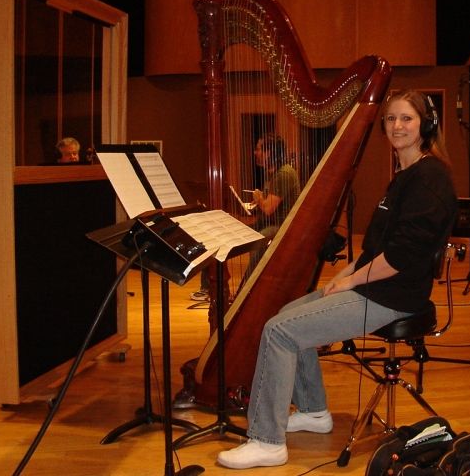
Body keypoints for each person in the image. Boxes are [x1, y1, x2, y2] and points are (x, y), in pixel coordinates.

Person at [216, 90, 456, 469]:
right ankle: (314, 412)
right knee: (286, 315)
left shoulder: (430, 178)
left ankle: (266, 441)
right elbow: (375, 247)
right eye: (391, 118)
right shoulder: (403, 175)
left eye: (406, 118)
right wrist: (342, 275)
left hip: (393, 296)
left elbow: (399, 257)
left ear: (426, 124)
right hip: (376, 286)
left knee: (279, 331)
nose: (397, 126)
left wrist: (351, 282)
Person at [191, 133, 301, 302]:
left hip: (281, 226)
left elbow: (269, 209)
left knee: (259, 241)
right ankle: (208, 288)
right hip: (267, 222)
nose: (255, 153)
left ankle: (246, 293)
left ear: (269, 152)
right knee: (218, 234)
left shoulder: (284, 174)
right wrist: (256, 202)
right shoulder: (274, 173)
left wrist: (259, 198)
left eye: (258, 149)